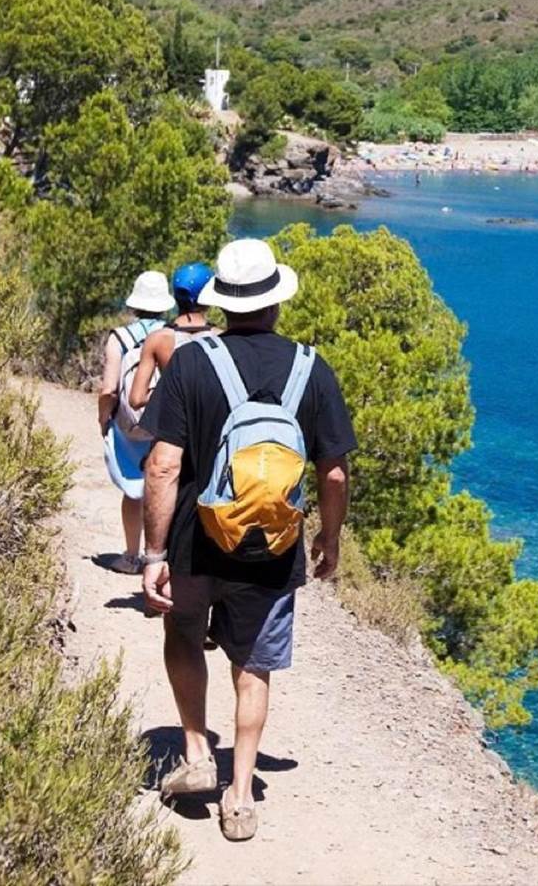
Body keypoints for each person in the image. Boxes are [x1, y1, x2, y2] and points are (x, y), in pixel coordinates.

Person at [139, 238, 355, 843]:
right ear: (276, 302)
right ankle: (240, 797)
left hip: (193, 540)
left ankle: (195, 753)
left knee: (182, 632)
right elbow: (333, 469)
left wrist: (153, 555)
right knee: (253, 662)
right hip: (274, 547)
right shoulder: (312, 369)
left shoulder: (190, 363)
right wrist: (329, 540)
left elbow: (162, 465)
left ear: (224, 303)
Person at [99, 269, 176, 574]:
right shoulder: (173, 335)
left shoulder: (119, 338)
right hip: (165, 422)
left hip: (129, 424)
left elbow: (108, 389)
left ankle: (131, 557)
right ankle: (160, 558)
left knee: (133, 489)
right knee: (165, 486)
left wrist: (104, 419)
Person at [128, 262, 216, 415]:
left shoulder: (157, 339)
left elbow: (136, 399)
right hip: (211, 424)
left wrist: (172, 392)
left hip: (173, 423)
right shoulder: (222, 337)